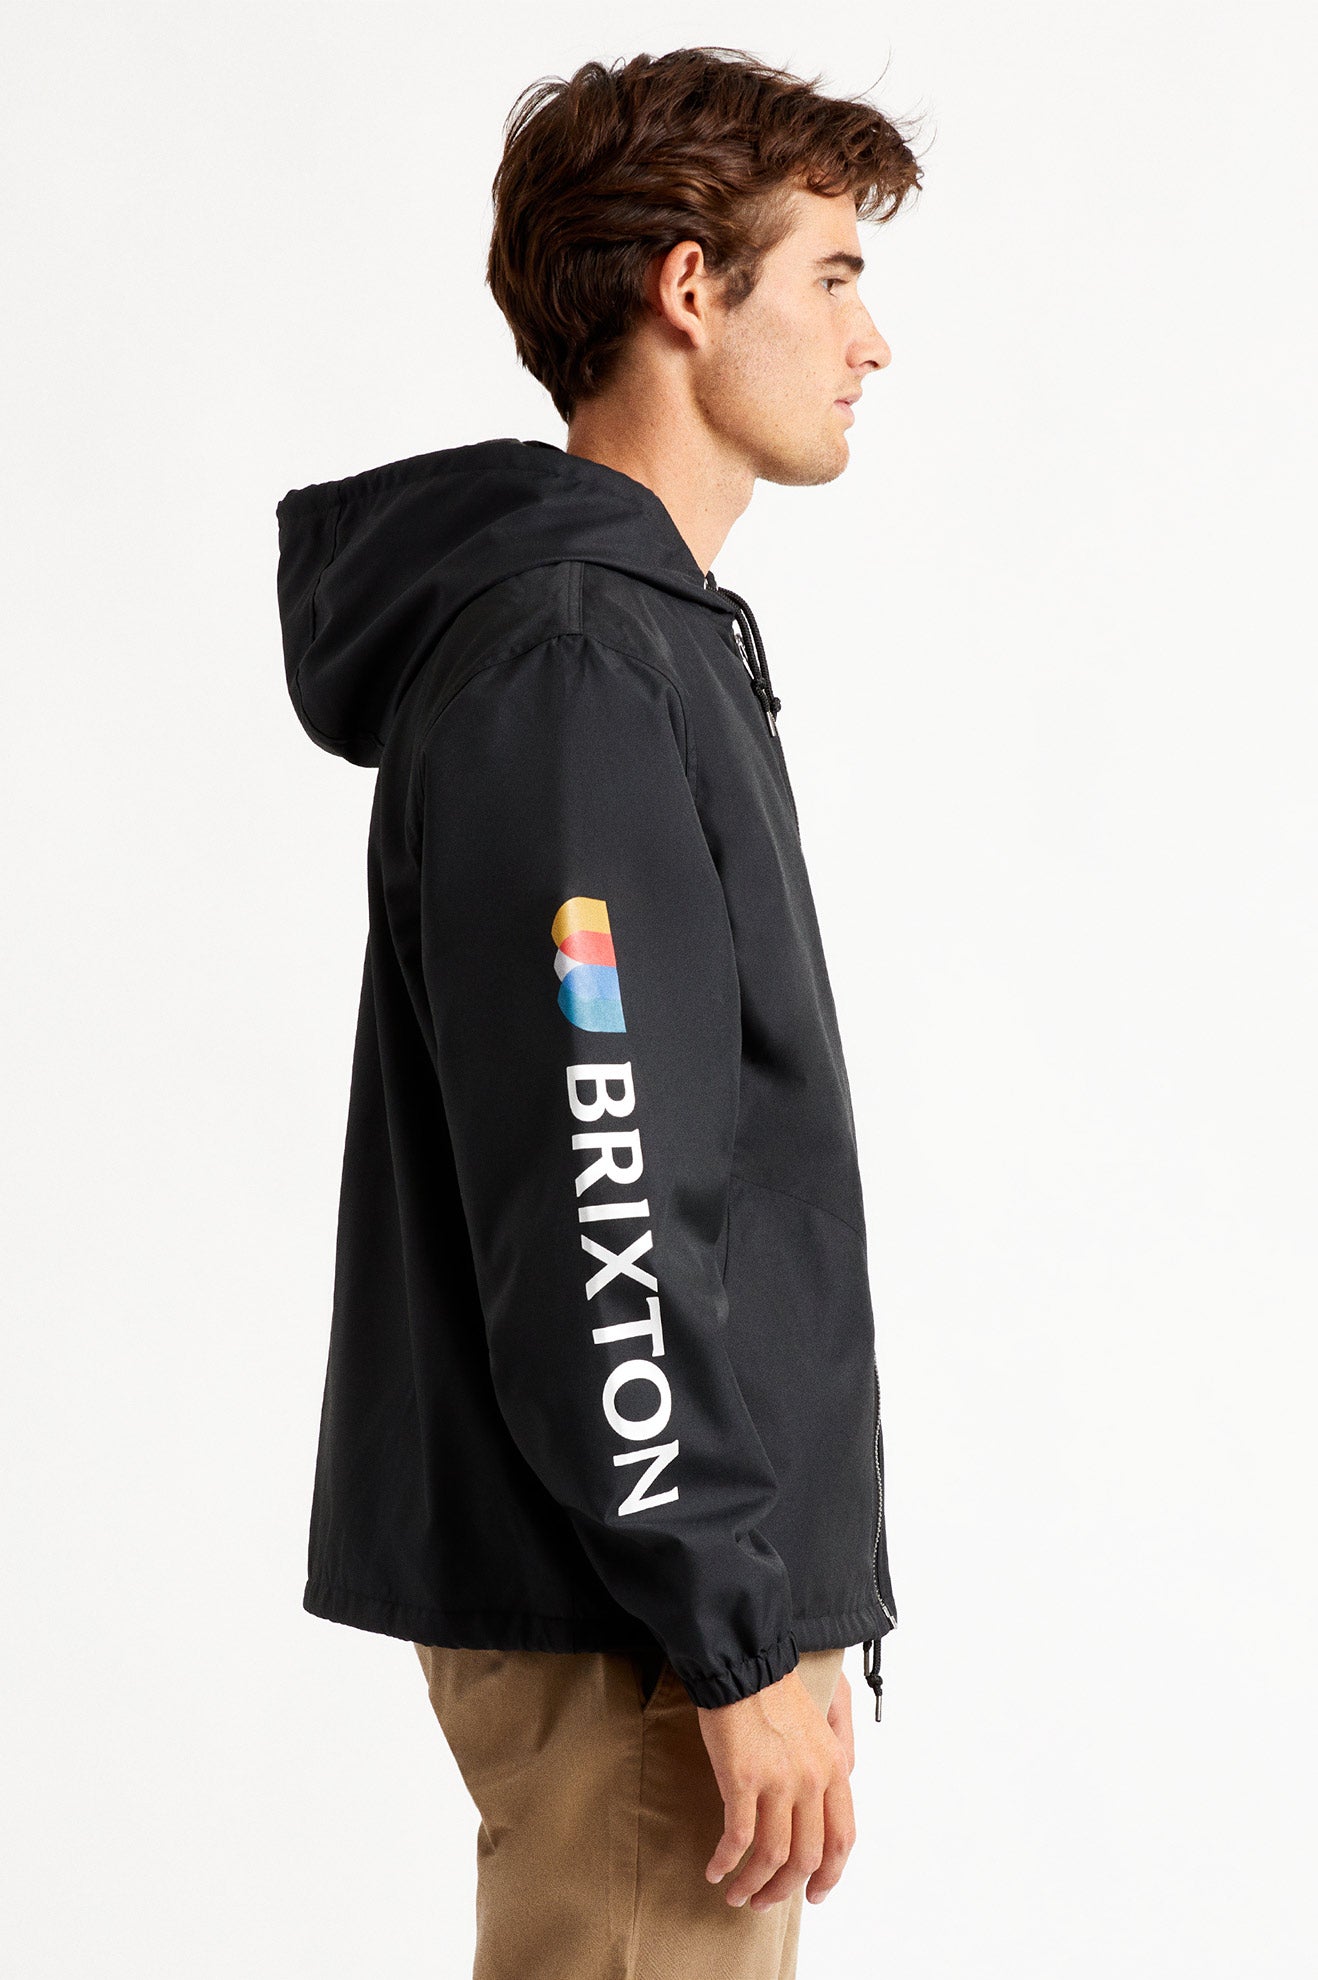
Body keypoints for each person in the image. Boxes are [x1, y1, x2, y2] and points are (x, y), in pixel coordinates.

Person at [274, 44, 922, 1980]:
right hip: (632, 1613)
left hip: (652, 1590)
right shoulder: (573, 663)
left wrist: (756, 1602)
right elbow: (596, 1179)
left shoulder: (631, 640)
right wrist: (724, 1623)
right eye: (831, 274)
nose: (869, 340)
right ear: (686, 288)